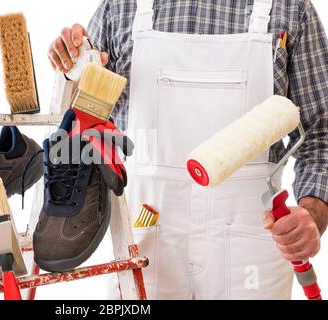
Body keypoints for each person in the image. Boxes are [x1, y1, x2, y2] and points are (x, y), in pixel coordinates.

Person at [48, 0, 328, 299]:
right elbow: (80, 127)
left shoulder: (289, 8)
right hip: (148, 232)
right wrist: (72, 65)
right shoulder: (120, 7)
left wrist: (311, 216)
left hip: (252, 242)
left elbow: (321, 138)